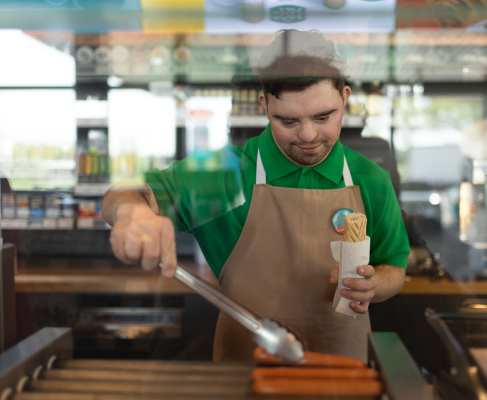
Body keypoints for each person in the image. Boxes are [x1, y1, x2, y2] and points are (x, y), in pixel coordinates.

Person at [102, 29, 410, 362]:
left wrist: (374, 284)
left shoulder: (370, 179)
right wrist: (132, 214)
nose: (308, 136)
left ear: (345, 99)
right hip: (245, 371)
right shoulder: (227, 173)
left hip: (343, 371)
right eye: (288, 120)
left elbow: (394, 267)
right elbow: (126, 194)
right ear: (264, 105)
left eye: (324, 117)